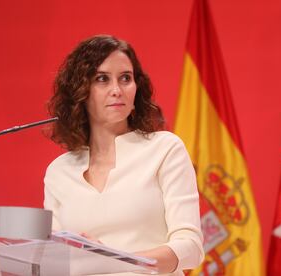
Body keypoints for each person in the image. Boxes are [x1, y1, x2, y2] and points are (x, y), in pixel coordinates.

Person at [44, 34, 204, 275]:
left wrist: (114, 259)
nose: (117, 90)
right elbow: (53, 260)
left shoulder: (165, 149)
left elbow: (190, 248)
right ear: (81, 92)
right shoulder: (59, 171)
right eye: (102, 79)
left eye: (125, 78)